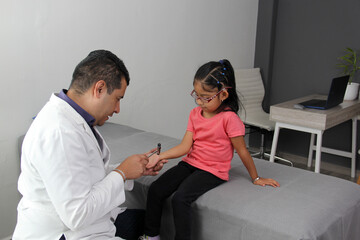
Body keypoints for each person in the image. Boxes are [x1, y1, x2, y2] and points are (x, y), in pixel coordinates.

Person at [13, 50, 166, 240]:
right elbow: (77, 214)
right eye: (117, 98)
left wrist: (133, 168)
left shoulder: (72, 118)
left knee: (153, 221)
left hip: (88, 222)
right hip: (64, 233)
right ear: (99, 88)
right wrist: (122, 173)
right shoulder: (60, 132)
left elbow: (83, 173)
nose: (117, 109)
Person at [139, 59, 280, 240]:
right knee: (156, 189)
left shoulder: (229, 119)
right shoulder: (195, 114)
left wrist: (256, 178)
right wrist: (159, 157)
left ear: (223, 94)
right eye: (196, 95)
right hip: (191, 163)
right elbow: (185, 146)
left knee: (180, 199)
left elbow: (243, 151)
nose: (199, 101)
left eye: (205, 97)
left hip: (213, 170)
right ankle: (151, 236)